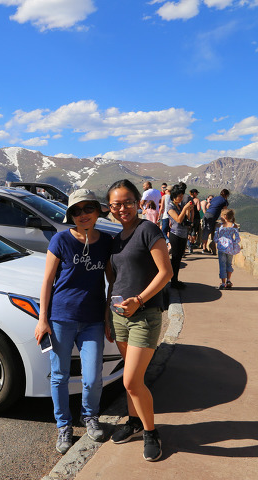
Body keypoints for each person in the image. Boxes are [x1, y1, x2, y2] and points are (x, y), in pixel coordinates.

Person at [35, 189, 114, 454]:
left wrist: (107, 314)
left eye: (87, 209)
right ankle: (63, 425)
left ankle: (89, 416)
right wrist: (42, 319)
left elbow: (113, 281)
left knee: (92, 377)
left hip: (92, 320)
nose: (83, 215)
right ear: (71, 215)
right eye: (77, 211)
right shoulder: (60, 240)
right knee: (60, 375)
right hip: (61, 318)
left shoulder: (106, 242)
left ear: (97, 210)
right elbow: (47, 280)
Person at [105, 179, 172, 462]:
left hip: (144, 315)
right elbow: (113, 280)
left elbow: (165, 272)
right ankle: (133, 423)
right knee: (132, 379)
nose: (123, 209)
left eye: (128, 203)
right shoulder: (115, 239)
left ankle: (150, 432)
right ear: (110, 207)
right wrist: (107, 315)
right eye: (116, 204)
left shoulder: (148, 230)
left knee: (131, 380)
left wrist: (140, 300)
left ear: (138, 203)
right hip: (119, 317)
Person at [166, 184, 194, 289]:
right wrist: (185, 208)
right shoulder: (170, 206)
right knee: (175, 259)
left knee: (178, 259)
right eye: (180, 196)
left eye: (182, 196)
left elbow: (185, 218)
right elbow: (178, 219)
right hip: (176, 235)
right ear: (174, 195)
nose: (181, 198)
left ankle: (175, 280)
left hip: (182, 234)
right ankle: (173, 282)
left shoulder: (179, 205)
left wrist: (188, 210)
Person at [215, 209, 242, 289]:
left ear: (225, 216)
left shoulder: (220, 226)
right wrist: (233, 242)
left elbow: (216, 237)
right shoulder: (234, 226)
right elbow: (237, 239)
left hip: (221, 247)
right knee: (229, 264)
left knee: (222, 265)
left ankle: (223, 283)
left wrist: (218, 241)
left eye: (222, 215)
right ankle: (229, 280)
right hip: (230, 248)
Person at [200, 189, 230, 255]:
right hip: (212, 216)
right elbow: (225, 211)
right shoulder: (224, 201)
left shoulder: (215, 198)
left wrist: (211, 209)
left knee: (205, 230)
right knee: (207, 231)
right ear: (226, 195)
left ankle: (204, 247)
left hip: (206, 214)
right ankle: (204, 249)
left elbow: (207, 206)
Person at [159, 185, 171, 251]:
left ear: (168, 190)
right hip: (172, 216)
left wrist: (159, 215)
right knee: (170, 231)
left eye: (165, 189)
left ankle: (168, 244)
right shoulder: (173, 197)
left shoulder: (164, 197)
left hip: (165, 216)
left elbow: (162, 207)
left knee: (163, 232)